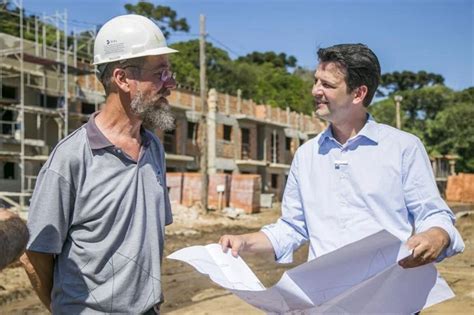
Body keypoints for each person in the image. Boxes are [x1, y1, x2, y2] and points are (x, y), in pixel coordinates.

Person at [220, 44, 464, 271]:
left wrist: (436, 236)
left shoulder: (403, 148)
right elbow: (292, 228)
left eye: (327, 84)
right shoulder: (306, 155)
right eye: (316, 81)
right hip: (327, 298)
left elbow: (433, 214)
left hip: (390, 296)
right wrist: (244, 242)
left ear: (358, 93)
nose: (315, 90)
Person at [21, 14, 177, 314]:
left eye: (168, 73)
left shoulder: (154, 148)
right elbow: (35, 254)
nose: (169, 85)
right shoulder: (70, 158)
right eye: (159, 74)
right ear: (122, 78)